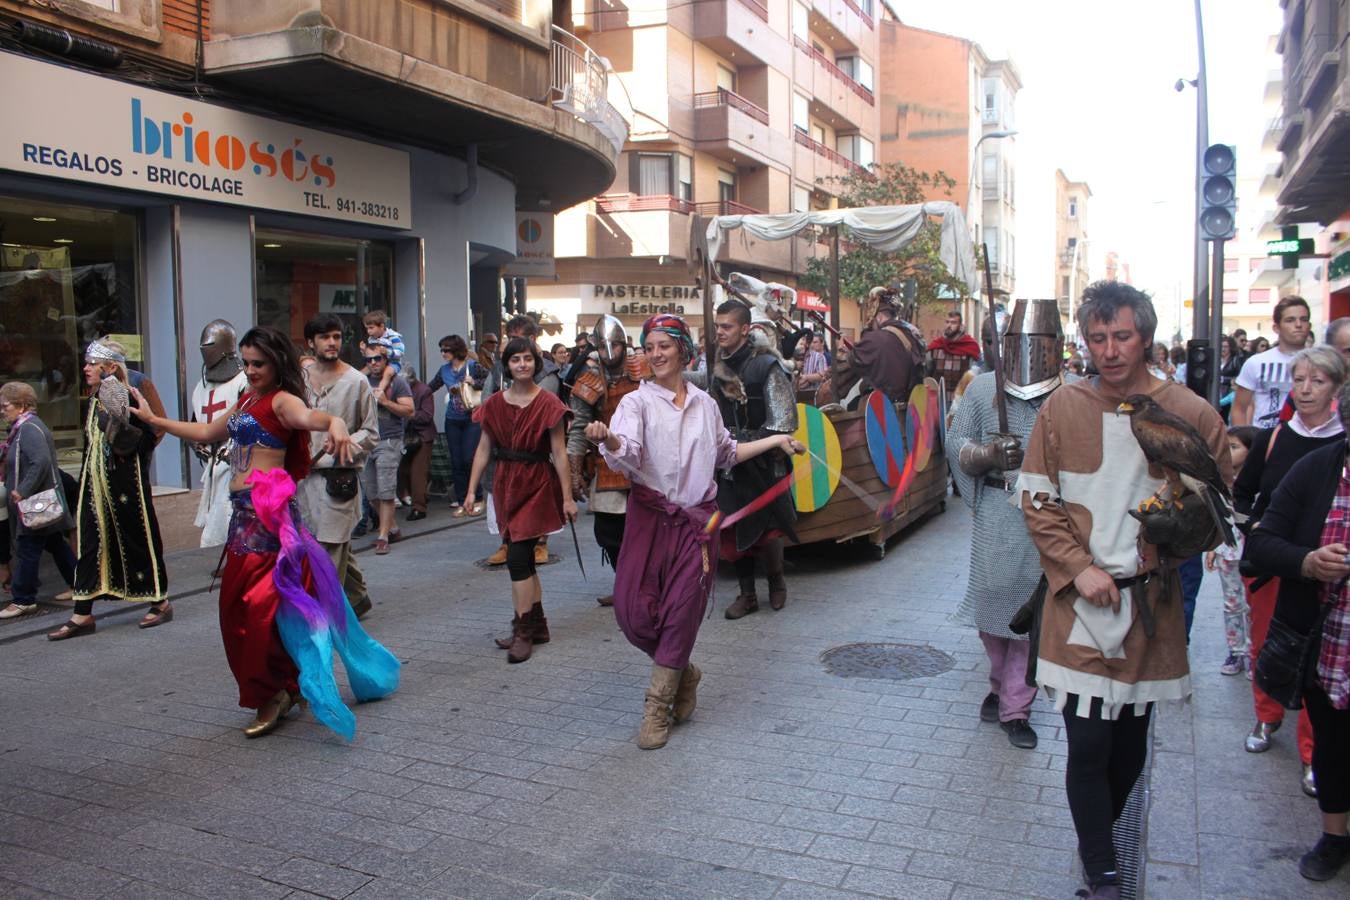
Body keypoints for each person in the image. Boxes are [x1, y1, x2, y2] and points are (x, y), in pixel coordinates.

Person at [1016, 281, 1231, 899]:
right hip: (1079, 603)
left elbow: (1218, 509)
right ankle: (1104, 875)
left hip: (1150, 603)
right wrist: (1078, 567)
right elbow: (1036, 497)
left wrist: (1179, 534)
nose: (1109, 350)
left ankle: (1100, 848)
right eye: (1098, 337)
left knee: (1129, 746)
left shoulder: (1190, 413)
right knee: (1087, 742)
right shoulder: (1062, 408)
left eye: (1122, 336)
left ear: (1146, 337)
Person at [131, 326, 399, 739]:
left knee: (254, 611)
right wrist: (153, 420)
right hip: (243, 515)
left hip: (269, 520)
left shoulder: (282, 401)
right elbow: (206, 432)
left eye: (260, 363)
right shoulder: (247, 398)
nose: (252, 370)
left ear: (277, 363)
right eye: (248, 363)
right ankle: (282, 687)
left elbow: (314, 418)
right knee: (240, 610)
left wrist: (336, 425)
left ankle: (275, 692)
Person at [586, 313, 804, 749]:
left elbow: (726, 452)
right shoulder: (636, 403)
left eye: (664, 346)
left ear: (683, 351)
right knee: (633, 615)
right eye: (649, 347)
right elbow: (627, 451)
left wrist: (776, 441)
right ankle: (686, 673)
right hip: (649, 520)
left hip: (697, 523)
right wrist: (607, 439)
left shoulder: (705, 404)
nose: (655, 354)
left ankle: (657, 707)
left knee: (682, 612)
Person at [948, 299, 1065, 750]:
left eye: (1039, 342)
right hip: (999, 509)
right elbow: (957, 442)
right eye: (1019, 342)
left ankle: (1017, 707)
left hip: (1049, 513)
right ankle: (999, 686)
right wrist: (988, 455)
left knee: (1032, 616)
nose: (1029, 350)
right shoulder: (982, 391)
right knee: (993, 610)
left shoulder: (1069, 395)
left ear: (1055, 345)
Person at [1245, 386, 1350, 882]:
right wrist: (1307, 562)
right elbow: (1263, 541)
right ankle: (1333, 838)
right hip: (1330, 642)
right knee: (1332, 743)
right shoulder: (1317, 469)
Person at [1234, 346, 1345, 795]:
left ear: (1336, 389)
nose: (1306, 389)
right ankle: (1266, 717)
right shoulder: (1274, 437)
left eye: (1317, 381)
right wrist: (1255, 529)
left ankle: (1312, 754)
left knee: (1321, 664)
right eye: (1299, 380)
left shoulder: (1342, 444)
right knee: (1266, 646)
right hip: (1272, 565)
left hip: (1330, 574)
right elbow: (1242, 495)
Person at [48, 339, 171, 640]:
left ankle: (160, 601)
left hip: (123, 484)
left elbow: (149, 434)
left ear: (111, 366)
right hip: (95, 485)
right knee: (90, 545)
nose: (86, 368)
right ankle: (82, 613)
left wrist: (119, 436)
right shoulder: (94, 396)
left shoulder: (124, 392)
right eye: (87, 362)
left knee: (135, 539)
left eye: (92, 363)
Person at [464, 336, 577, 664]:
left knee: (516, 559)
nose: (522, 364)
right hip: (506, 483)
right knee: (524, 560)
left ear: (536, 363)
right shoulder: (495, 404)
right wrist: (471, 490)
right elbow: (484, 448)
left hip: (538, 483)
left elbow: (559, 453)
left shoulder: (550, 404)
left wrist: (568, 498)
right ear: (507, 365)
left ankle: (523, 629)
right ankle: (537, 625)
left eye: (528, 359)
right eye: (516, 360)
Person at [709, 299, 798, 619]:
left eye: (727, 326)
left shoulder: (768, 367)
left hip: (765, 463)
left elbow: (785, 421)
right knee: (733, 529)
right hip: (731, 464)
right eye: (717, 326)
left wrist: (750, 443)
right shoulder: (718, 366)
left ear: (745, 329)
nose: (719, 332)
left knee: (769, 529)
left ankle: (776, 583)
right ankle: (747, 595)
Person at [297, 314, 379, 619]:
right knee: (320, 544)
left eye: (336, 337)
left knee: (329, 549)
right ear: (311, 343)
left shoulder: (356, 381)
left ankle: (323, 617)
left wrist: (345, 442)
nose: (332, 343)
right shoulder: (300, 381)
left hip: (340, 479)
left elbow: (371, 433)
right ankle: (357, 597)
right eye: (324, 337)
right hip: (305, 479)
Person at [567, 315, 646, 607]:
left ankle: (645, 586)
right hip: (609, 464)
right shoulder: (588, 381)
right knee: (609, 533)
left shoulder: (644, 371)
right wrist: (575, 473)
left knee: (647, 530)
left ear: (624, 343)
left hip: (645, 462)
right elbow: (578, 430)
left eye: (614, 344)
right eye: (604, 346)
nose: (610, 352)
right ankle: (625, 583)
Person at [482, 317, 560, 566]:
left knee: (536, 498)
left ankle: (540, 543)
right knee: (501, 493)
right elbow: (486, 397)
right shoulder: (500, 367)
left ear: (532, 340)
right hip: (504, 446)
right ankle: (507, 541)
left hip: (534, 449)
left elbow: (542, 408)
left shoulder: (546, 370)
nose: (511, 344)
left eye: (516, 338)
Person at [1, 382, 76, 619]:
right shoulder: (22, 428)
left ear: (22, 406)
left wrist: (22, 490)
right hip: (41, 502)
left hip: (35, 502)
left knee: (28, 548)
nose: (2, 411)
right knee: (55, 544)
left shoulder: (29, 429)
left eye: (6, 406)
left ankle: (23, 599)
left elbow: (40, 461)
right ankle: (79, 584)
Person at [191, 320, 248, 548]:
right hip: (212, 462)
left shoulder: (243, 382)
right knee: (216, 513)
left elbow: (248, 422)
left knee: (229, 514)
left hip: (235, 461)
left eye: (211, 345)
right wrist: (197, 443)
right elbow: (196, 424)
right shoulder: (201, 386)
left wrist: (232, 450)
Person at [1206, 425, 1258, 677]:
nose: (1228, 451)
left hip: (1253, 553)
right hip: (1228, 550)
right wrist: (1213, 548)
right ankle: (1236, 651)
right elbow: (1218, 517)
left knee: (1252, 605)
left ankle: (1253, 653)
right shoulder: (1221, 479)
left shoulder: (1259, 483)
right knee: (1231, 603)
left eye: (1235, 447)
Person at [427, 335, 488, 515]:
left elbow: (492, 383)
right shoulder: (444, 370)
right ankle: (462, 501)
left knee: (469, 458)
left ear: (456, 350)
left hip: (472, 418)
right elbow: (431, 386)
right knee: (456, 461)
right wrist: (410, 391)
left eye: (446, 350)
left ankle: (476, 496)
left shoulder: (473, 366)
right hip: (452, 418)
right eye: (442, 350)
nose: (443, 353)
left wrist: (475, 383)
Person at [363, 340, 413, 554]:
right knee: (371, 492)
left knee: (385, 491)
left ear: (386, 360)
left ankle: (383, 536)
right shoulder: (362, 381)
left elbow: (409, 411)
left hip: (389, 441)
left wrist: (384, 401)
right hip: (366, 442)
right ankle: (392, 527)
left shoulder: (398, 382)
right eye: (369, 359)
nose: (373, 363)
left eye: (378, 358)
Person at [1234, 298, 1310, 428]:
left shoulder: (1322, 363)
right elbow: (1239, 409)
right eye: (1290, 320)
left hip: (1310, 440)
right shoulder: (1256, 363)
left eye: (1303, 319)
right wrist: (1244, 443)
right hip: (1264, 439)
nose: (1298, 324)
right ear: (1276, 328)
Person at [845, 286, 927, 404]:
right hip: (911, 405)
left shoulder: (876, 338)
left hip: (882, 407)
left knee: (848, 404)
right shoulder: (913, 334)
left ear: (879, 317)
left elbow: (854, 360)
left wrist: (842, 351)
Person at [398, 366, 435, 521]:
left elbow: (427, 416)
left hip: (422, 436)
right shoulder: (399, 389)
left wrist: (408, 413)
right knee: (403, 470)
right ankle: (413, 496)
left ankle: (419, 507)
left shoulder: (424, 391)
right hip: (404, 435)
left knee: (417, 472)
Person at [927, 308, 981, 397]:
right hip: (938, 398)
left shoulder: (970, 346)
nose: (949, 325)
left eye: (953, 323)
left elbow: (974, 376)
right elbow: (927, 375)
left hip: (961, 398)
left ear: (960, 325)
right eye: (947, 322)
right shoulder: (936, 346)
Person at [362, 310, 405, 397]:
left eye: (371, 328)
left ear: (381, 326)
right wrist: (364, 350)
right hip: (378, 362)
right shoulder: (372, 338)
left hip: (393, 362)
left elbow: (401, 352)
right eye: (367, 328)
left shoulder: (393, 337)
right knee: (362, 372)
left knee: (387, 374)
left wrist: (388, 352)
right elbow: (371, 353)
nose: (368, 331)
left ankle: (378, 393)